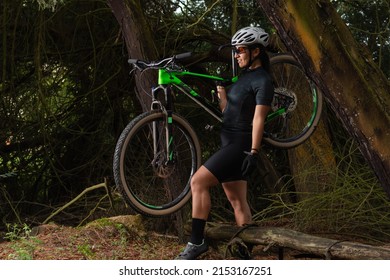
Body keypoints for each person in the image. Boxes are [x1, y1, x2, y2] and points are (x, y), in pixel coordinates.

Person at [176, 26, 274, 260]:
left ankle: (197, 242)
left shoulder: (263, 80)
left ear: (256, 51)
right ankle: (244, 254)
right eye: (236, 51)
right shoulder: (243, 77)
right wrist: (222, 95)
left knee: (198, 181)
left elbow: (258, 118)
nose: (236, 55)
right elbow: (228, 113)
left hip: (240, 144)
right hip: (229, 141)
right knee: (237, 200)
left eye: (240, 50)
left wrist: (253, 152)